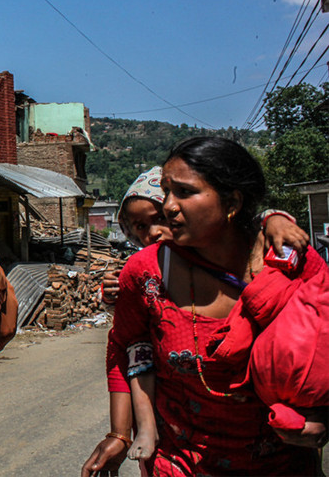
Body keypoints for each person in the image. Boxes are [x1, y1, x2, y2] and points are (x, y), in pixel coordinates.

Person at [83, 139, 324, 477]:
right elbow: (124, 348)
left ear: (232, 201)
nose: (168, 206)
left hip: (284, 465)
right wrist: (120, 435)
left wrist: (323, 421)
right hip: (179, 463)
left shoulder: (290, 263)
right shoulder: (145, 272)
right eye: (166, 191)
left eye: (184, 192)